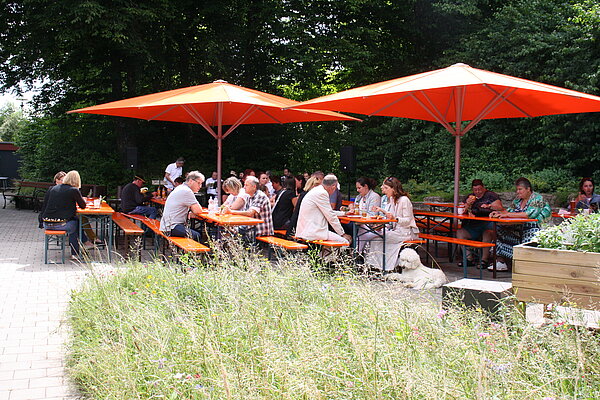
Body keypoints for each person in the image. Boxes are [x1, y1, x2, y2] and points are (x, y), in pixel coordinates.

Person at [490, 177, 551, 271]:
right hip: (520, 225)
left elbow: (528, 215)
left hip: (537, 227)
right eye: (517, 189)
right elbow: (509, 211)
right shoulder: (518, 200)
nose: (517, 192)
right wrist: (499, 213)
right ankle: (501, 261)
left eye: (520, 189)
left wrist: (507, 214)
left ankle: (524, 263)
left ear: (528, 189)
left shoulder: (537, 198)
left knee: (526, 232)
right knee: (499, 229)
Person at [364, 177, 419, 272]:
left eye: (386, 188)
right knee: (375, 238)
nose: (384, 191)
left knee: (379, 238)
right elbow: (391, 216)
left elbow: (407, 220)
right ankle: (377, 266)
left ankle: (386, 267)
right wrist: (382, 211)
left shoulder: (404, 200)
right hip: (396, 231)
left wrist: (395, 219)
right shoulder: (393, 199)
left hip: (406, 233)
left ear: (393, 188)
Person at [41, 170, 93, 260]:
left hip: (46, 223)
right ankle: (76, 251)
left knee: (75, 221)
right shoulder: (73, 190)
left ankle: (84, 244)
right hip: (60, 225)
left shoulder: (54, 189)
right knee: (76, 223)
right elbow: (83, 206)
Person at [455, 179, 504, 267]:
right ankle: (468, 258)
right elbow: (461, 211)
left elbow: (500, 207)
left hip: (487, 224)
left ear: (483, 188)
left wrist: (489, 205)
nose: (478, 192)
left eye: (480, 189)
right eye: (475, 190)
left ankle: (484, 260)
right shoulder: (469, 197)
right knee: (460, 232)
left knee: (487, 233)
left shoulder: (491, 195)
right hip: (473, 225)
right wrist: (467, 204)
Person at [296, 174, 351, 245]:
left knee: (336, 242)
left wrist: (344, 214)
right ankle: (325, 256)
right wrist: (342, 234)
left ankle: (323, 256)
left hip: (306, 230)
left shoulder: (317, 190)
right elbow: (330, 216)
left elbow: (328, 211)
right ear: (333, 186)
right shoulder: (322, 193)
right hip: (313, 231)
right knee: (345, 242)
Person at [159, 171, 205, 242]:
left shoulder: (180, 187)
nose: (200, 186)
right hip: (171, 227)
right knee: (197, 236)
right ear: (190, 181)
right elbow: (198, 210)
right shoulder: (186, 191)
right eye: (198, 183)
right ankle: (197, 252)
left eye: (201, 183)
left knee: (198, 232)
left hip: (166, 225)